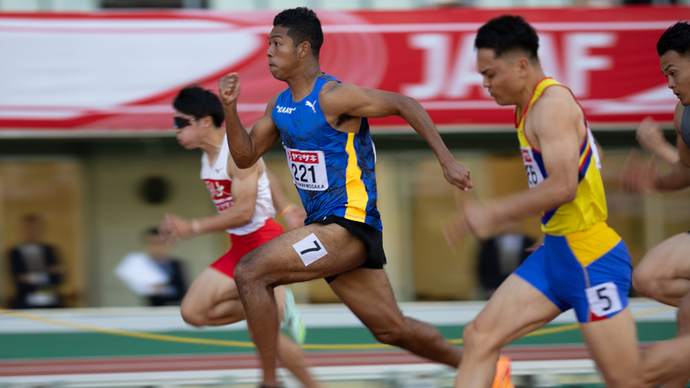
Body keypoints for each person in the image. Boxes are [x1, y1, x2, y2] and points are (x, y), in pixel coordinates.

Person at [216, 7, 495, 388]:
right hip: (324, 232)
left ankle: (269, 381)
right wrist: (230, 110)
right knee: (390, 329)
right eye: (267, 44)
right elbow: (245, 157)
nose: (268, 52)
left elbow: (404, 104)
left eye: (276, 44)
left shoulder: (334, 96)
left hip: (347, 225)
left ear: (303, 50)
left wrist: (446, 161)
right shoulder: (279, 107)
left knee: (250, 271)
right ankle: (486, 371)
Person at [454, 15, 690, 388]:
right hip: (556, 254)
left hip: (590, 258)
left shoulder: (552, 105)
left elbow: (564, 186)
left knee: (627, 378)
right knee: (478, 337)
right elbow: (573, 175)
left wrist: (493, 210)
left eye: (490, 73)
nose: (484, 83)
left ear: (520, 65)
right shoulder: (527, 107)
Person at [158, 86, 321, 388]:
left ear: (204, 121)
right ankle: (265, 309)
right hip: (240, 247)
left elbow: (245, 212)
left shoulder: (235, 153)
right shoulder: (211, 155)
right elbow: (265, 172)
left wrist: (191, 227)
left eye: (180, 123)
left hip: (264, 244)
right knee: (193, 312)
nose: (175, 130)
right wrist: (286, 207)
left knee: (264, 337)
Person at [620, 21, 690, 388]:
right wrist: (655, 182)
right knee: (649, 276)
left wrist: (658, 148)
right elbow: (687, 170)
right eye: (665, 74)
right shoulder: (684, 114)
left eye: (674, 72)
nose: (669, 83)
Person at [9, 214, 64, 309]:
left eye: (35, 228)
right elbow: (19, 281)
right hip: (25, 303)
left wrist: (30, 277)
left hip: (51, 302)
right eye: (29, 228)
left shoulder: (49, 250)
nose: (32, 231)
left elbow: (57, 278)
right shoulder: (15, 252)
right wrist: (47, 273)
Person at [477, 224, 535, 299]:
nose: (508, 225)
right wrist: (489, 287)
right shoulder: (489, 244)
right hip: (495, 287)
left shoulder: (530, 243)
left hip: (523, 286)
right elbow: (483, 267)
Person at [142, 227, 188, 306]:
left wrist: (164, 289)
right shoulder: (143, 266)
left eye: (160, 243)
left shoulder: (176, 265)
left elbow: (183, 290)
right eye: (152, 243)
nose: (156, 247)